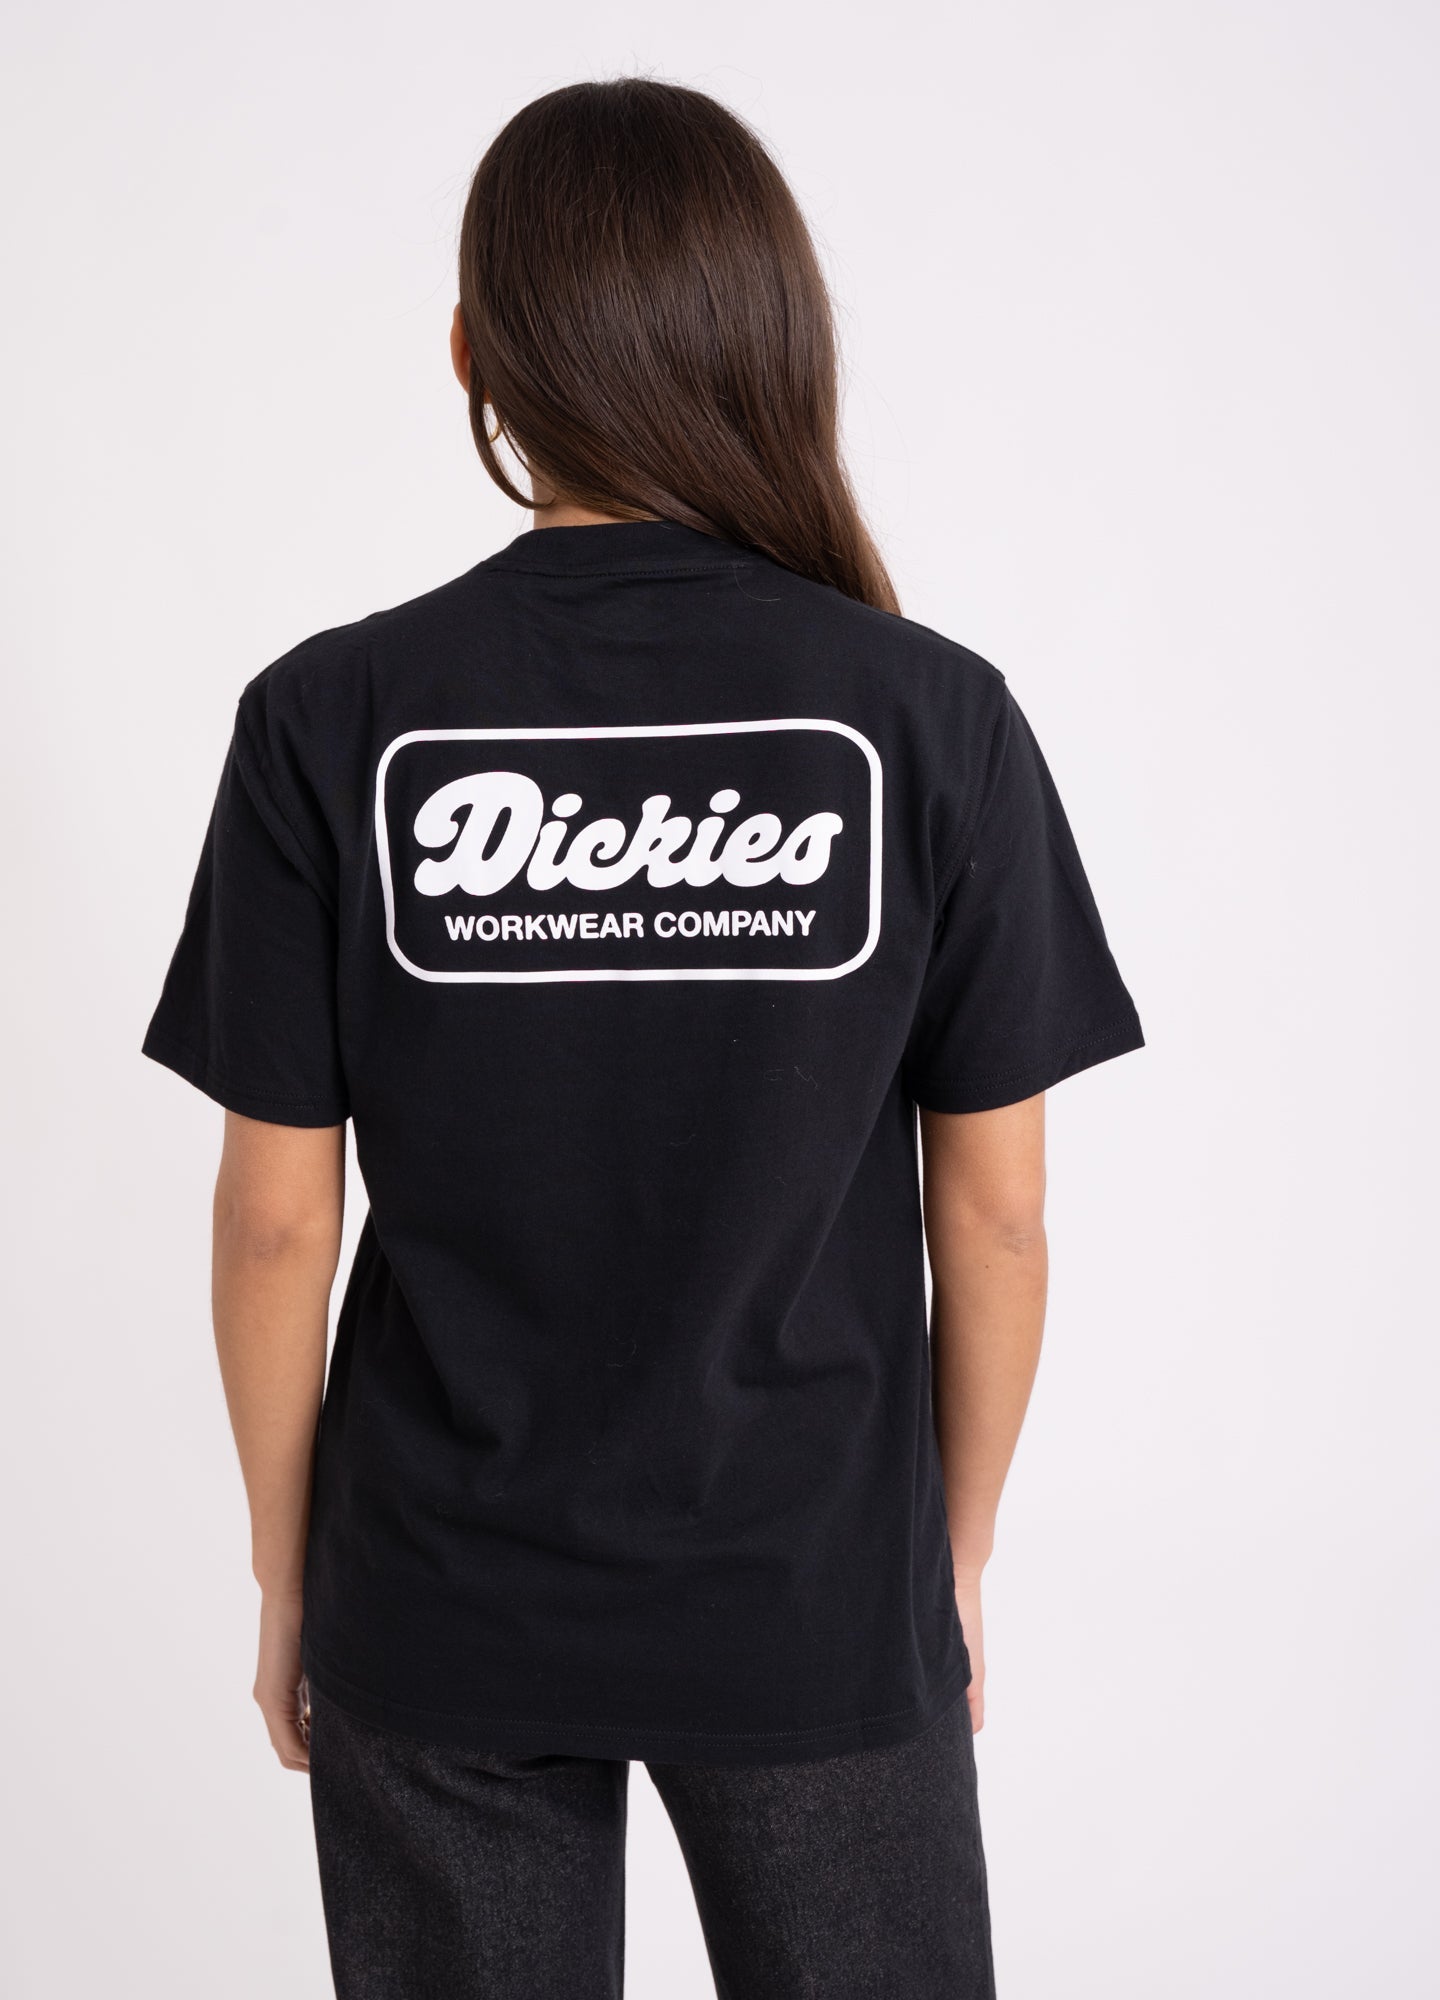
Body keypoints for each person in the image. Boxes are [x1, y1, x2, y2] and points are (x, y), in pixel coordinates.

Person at [142, 77, 1143, 2000]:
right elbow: (1000, 1216)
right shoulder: (930, 719)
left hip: (439, 1597)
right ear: (771, 339)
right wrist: (948, 1559)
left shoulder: (329, 718)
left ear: (472, 351)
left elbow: (274, 1221)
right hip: (814, 1596)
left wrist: (292, 1571)